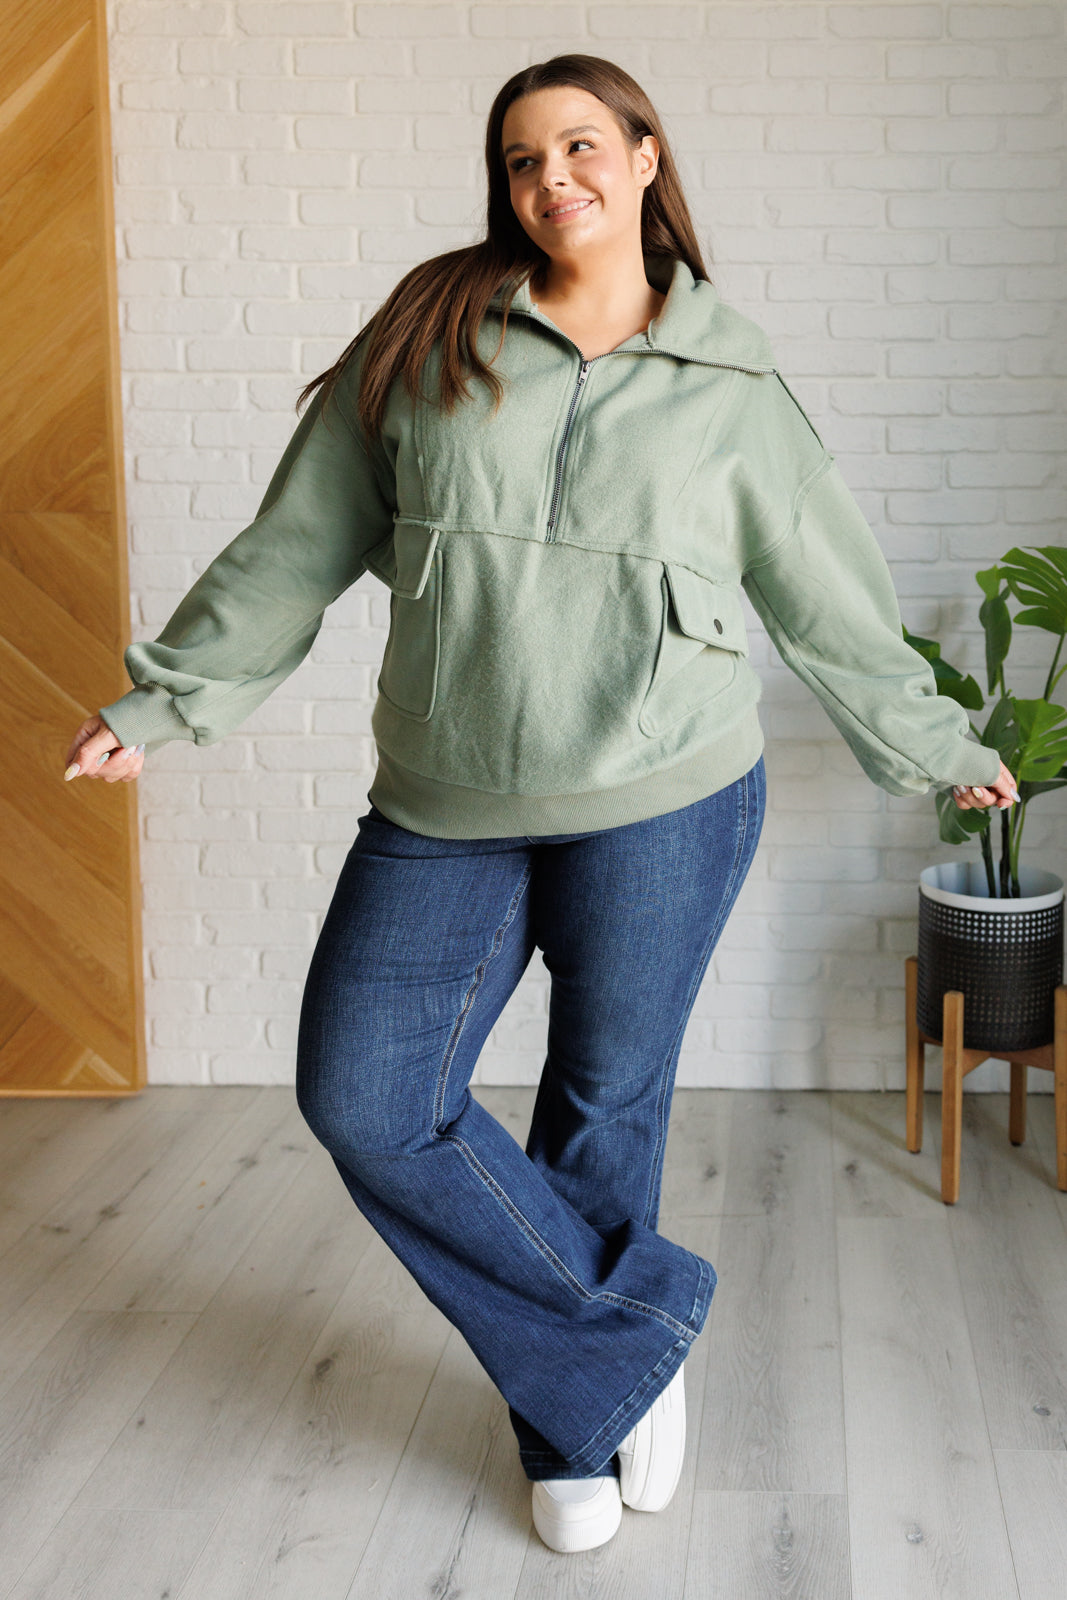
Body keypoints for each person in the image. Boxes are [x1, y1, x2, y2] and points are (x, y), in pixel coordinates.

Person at [63, 55, 1018, 1554]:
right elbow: (296, 543)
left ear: (646, 158)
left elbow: (826, 599)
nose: (551, 177)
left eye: (581, 145)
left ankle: (572, 1422)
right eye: (522, 159)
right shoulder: (432, 334)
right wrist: (168, 700)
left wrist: (929, 740)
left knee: (603, 1109)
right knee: (366, 1095)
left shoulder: (732, 380)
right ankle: (637, 1331)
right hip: (448, 796)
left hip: (670, 798)